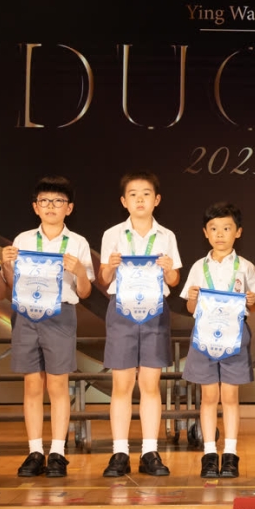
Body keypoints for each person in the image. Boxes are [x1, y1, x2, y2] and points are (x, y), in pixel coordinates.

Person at [1, 177, 94, 479]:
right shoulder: (23, 239)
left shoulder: (78, 242)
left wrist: (79, 271)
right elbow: (12, 286)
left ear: (69, 208)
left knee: (57, 385)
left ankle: (57, 452)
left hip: (61, 314)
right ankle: (34, 451)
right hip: (27, 314)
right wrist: (7, 265)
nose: (51, 206)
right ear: (35, 207)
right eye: (45, 201)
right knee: (32, 385)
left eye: (58, 201)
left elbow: (85, 292)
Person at [97, 171, 182, 478]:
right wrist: (110, 267)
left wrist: (169, 270)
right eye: (133, 194)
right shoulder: (113, 234)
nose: (140, 200)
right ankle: (119, 452)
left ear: (156, 200)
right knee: (121, 385)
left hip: (155, 312)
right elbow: (103, 279)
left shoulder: (166, 236)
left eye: (146, 194)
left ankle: (149, 451)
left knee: (150, 384)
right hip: (121, 310)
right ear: (124, 201)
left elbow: (174, 280)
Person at [180, 202, 255, 479]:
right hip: (204, 336)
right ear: (205, 233)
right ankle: (209, 454)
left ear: (238, 232)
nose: (220, 234)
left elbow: (253, 308)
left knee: (230, 396)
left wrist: (251, 301)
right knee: (208, 397)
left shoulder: (246, 267)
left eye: (226, 228)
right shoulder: (198, 267)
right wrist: (193, 299)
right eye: (214, 228)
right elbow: (190, 308)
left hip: (235, 337)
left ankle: (230, 454)